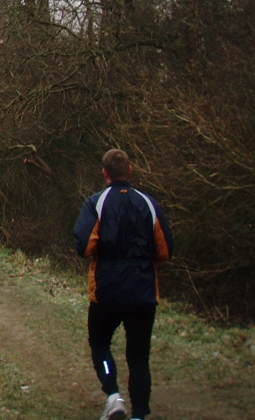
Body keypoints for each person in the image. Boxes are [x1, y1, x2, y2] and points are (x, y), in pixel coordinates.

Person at [73, 149, 174, 420]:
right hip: (142, 292)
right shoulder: (149, 204)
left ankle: (113, 394)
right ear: (129, 171)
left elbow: (83, 246)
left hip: (106, 290)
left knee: (100, 344)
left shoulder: (96, 203)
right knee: (139, 357)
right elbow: (165, 251)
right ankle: (139, 414)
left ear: (104, 173)